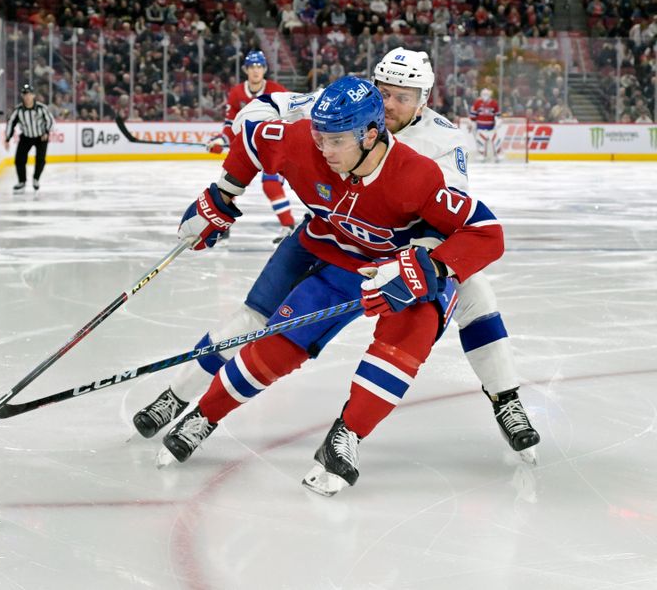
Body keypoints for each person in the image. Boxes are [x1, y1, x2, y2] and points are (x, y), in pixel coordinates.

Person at [133, 49, 540, 466]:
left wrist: (427, 266)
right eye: (385, 92)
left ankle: (506, 398)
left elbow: (450, 226)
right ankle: (176, 396)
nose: (390, 104)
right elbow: (267, 112)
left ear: (426, 98)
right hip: (326, 232)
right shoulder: (346, 108)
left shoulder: (443, 144)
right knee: (251, 319)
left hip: (393, 251)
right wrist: (224, 190)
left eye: (404, 96)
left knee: (477, 299)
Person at [206, 50, 296, 243]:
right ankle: (223, 226)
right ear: (246, 70)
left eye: (259, 66)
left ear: (264, 69)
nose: (256, 71)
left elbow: (292, 115)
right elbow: (230, 124)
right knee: (228, 183)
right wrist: (221, 141)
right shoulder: (237, 92)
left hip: (273, 147)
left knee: (271, 184)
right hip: (248, 148)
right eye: (252, 67)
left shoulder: (276, 89)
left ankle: (288, 226)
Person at [4, 83, 54, 193]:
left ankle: (36, 179)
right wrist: (7, 138)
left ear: (33, 95)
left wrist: (46, 131)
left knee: (40, 159)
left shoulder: (41, 108)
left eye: (29, 94)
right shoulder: (18, 110)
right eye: (25, 94)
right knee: (19, 160)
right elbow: (11, 123)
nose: (27, 97)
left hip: (41, 137)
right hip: (26, 136)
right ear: (22, 96)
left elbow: (50, 120)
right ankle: (22, 181)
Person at [470, 88, 503, 162]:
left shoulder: (494, 103)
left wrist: (498, 122)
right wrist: (472, 124)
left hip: (491, 128)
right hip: (480, 128)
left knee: (496, 140)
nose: (485, 96)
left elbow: (498, 115)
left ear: (489, 95)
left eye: (486, 94)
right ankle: (481, 155)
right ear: (481, 95)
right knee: (480, 141)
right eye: (484, 94)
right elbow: (473, 116)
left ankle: (498, 154)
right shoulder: (477, 103)